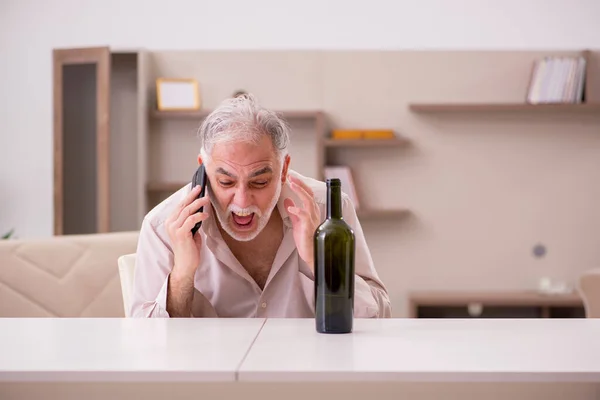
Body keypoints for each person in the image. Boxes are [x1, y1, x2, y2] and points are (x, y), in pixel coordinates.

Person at [129, 94, 392, 318]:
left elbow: (379, 315)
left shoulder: (329, 210)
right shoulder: (161, 226)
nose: (242, 201)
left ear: (283, 169)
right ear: (203, 168)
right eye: (226, 181)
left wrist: (320, 261)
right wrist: (182, 274)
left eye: (259, 182)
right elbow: (145, 341)